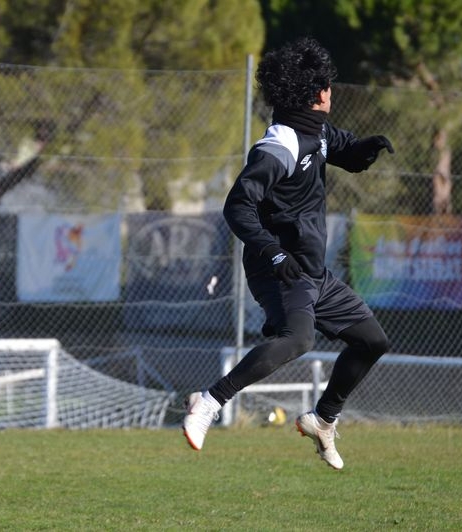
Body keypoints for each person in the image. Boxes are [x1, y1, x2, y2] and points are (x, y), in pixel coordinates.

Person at [183, 37, 394, 470]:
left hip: (311, 270)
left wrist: (366, 148)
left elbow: (342, 151)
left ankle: (322, 419)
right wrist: (275, 253)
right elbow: (237, 204)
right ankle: (208, 401)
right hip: (280, 266)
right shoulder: (280, 144)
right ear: (319, 94)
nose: (331, 93)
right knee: (298, 338)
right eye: (329, 87)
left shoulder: (313, 133)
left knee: (372, 340)